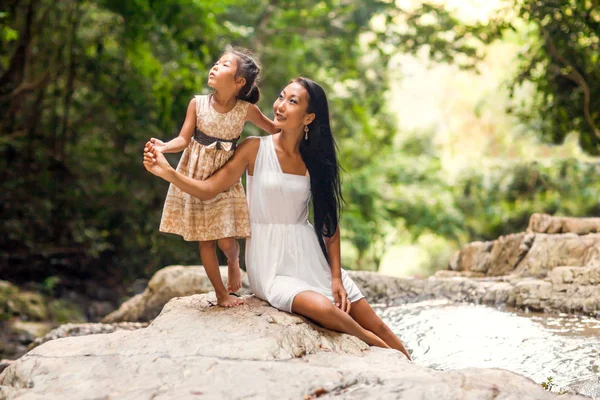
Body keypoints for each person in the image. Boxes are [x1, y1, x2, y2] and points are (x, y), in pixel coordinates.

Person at [144, 77, 411, 358]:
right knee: (324, 309)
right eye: (282, 97)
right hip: (270, 262)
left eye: (292, 101)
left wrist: (336, 277)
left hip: (310, 257)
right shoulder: (254, 148)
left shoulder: (315, 161)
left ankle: (414, 368)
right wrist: (169, 173)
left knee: (379, 324)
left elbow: (328, 225)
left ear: (309, 117)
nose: (280, 105)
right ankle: (371, 344)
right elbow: (210, 189)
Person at [151, 48, 277, 307]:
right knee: (205, 241)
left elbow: (274, 129)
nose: (214, 67)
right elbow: (183, 139)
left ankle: (233, 260)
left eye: (223, 65)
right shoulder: (197, 103)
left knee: (226, 240)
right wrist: (164, 146)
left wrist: (303, 123)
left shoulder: (246, 110)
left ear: (239, 82)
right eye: (216, 63)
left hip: (225, 181)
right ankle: (221, 294)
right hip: (195, 177)